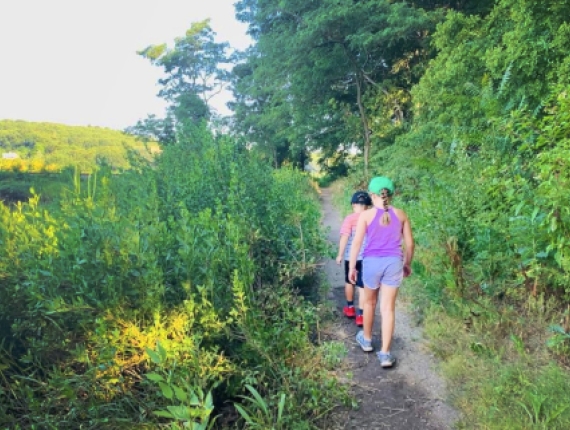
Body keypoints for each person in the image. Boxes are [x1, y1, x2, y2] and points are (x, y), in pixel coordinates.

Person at [349, 176, 414, 368]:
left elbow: (357, 243)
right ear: (391, 194)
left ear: (372, 195)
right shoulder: (401, 214)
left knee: (369, 303)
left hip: (371, 263)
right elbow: (409, 243)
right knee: (388, 309)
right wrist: (407, 263)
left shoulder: (366, 216)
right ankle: (385, 354)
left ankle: (367, 340)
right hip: (394, 263)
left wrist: (352, 266)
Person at [336, 191, 372, 327]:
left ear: (353, 205)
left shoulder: (349, 219)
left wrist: (339, 254)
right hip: (366, 257)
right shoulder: (371, 218)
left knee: (349, 281)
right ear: (367, 206)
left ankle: (350, 308)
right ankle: (361, 316)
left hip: (350, 256)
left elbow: (344, 237)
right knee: (362, 286)